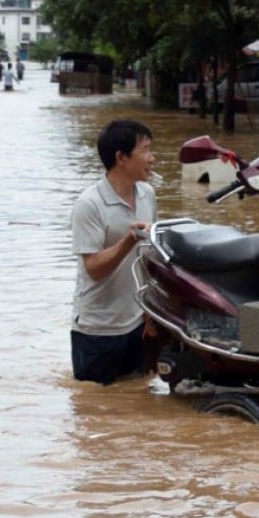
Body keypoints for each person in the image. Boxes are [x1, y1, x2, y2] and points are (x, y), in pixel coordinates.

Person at [70, 120, 157, 384]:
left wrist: (153, 309)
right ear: (121, 157)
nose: (152, 158)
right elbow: (94, 269)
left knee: (138, 396)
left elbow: (149, 255)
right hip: (98, 330)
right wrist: (128, 240)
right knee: (93, 402)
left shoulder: (147, 194)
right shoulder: (90, 204)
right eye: (145, 150)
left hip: (137, 322)